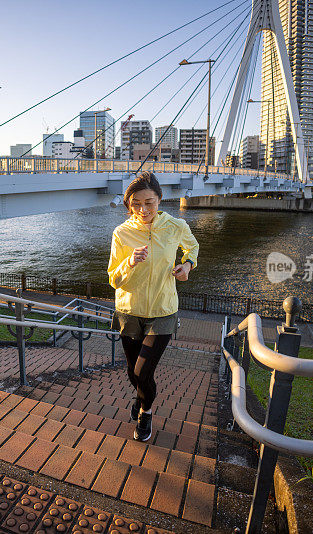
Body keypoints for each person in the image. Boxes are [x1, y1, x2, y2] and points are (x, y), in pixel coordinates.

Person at [107, 171, 198, 442]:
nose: (143, 209)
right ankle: (142, 396)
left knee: (142, 371)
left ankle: (145, 412)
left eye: (149, 202)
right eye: (136, 203)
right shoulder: (122, 233)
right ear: (128, 204)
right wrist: (130, 262)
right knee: (132, 373)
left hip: (162, 310)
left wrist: (188, 265)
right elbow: (114, 278)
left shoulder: (175, 226)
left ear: (160, 199)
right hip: (129, 310)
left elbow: (191, 247)